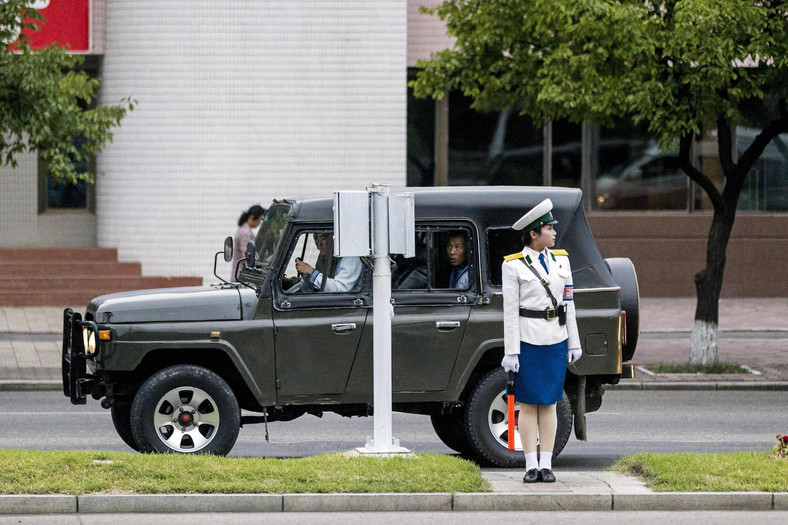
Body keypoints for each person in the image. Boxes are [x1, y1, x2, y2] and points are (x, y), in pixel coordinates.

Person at [500, 198, 582, 484]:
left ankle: (546, 464)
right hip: (528, 340)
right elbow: (510, 312)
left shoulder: (562, 259)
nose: (554, 232)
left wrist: (574, 342)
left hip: (556, 339)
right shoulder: (513, 266)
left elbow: (568, 303)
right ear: (534, 234)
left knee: (549, 403)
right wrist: (512, 351)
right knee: (528, 404)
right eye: (548, 228)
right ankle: (529, 465)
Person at [295, 233, 363, 293]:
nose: (319, 244)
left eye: (324, 238)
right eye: (316, 238)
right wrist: (295, 281)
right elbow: (319, 283)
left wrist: (311, 272)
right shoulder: (327, 255)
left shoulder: (351, 256)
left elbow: (339, 289)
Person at [232, 205, 266, 281]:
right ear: (252, 217)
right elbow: (244, 254)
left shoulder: (243, 229)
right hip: (242, 275)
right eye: (260, 219)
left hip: (238, 273)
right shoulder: (246, 232)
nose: (260, 222)